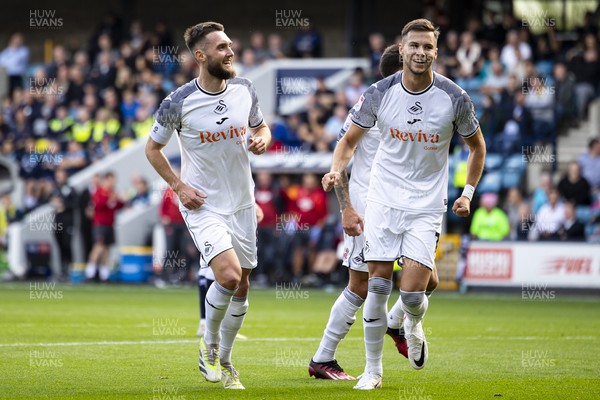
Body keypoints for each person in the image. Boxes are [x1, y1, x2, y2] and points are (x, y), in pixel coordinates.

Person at [323, 19, 486, 389]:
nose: (420, 53)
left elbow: (477, 147)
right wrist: (336, 170)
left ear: (436, 52)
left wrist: (467, 193)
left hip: (427, 204)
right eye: (414, 46)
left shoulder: (455, 97)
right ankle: (372, 371)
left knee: (414, 290)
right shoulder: (379, 93)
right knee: (377, 284)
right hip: (382, 199)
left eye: (427, 47)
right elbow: (347, 142)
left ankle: (409, 321)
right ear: (402, 49)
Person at [145, 21, 271, 390]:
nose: (230, 52)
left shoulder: (245, 89)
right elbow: (152, 150)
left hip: (243, 202)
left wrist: (261, 138)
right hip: (202, 203)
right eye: (221, 48)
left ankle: (227, 360)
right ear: (200, 56)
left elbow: (261, 128)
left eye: (230, 46)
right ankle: (209, 344)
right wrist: (178, 186)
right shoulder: (177, 102)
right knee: (229, 276)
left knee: (243, 285)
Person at [309, 45, 439, 381]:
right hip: (370, 207)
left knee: (430, 280)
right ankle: (323, 358)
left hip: (408, 206)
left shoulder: (416, 106)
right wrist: (347, 208)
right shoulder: (372, 105)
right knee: (360, 286)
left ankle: (395, 323)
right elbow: (342, 156)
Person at [86, 172, 124, 282]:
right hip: (100, 224)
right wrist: (110, 199)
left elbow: (119, 206)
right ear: (106, 180)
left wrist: (119, 199)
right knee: (98, 248)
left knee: (107, 249)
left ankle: (104, 275)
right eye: (112, 180)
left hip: (109, 224)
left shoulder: (112, 192)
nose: (113, 183)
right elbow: (97, 205)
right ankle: (90, 273)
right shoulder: (99, 191)